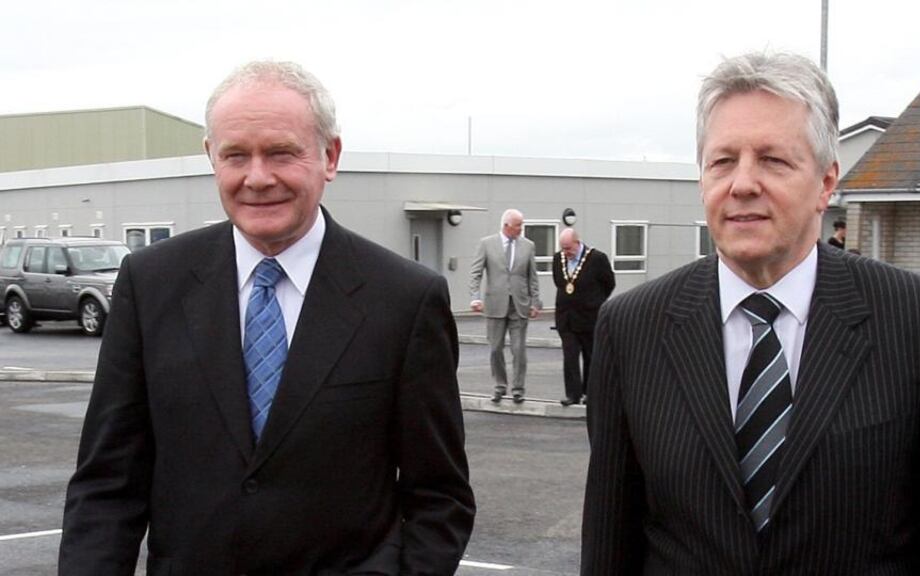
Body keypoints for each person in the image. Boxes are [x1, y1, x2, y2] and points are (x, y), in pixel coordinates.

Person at [581, 52, 920, 575]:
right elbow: (610, 540)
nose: (742, 184)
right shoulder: (631, 328)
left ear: (826, 183)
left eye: (772, 160)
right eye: (722, 161)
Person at [59, 61, 475, 575]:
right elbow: (106, 483)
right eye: (236, 155)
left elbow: (439, 495)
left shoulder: (405, 299)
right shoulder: (150, 284)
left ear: (330, 156)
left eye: (281, 152)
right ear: (212, 158)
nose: (258, 178)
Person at [469, 209, 541, 404]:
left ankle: (518, 388)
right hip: (495, 304)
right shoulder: (487, 244)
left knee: (519, 350)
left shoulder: (528, 246)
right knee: (495, 349)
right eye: (518, 225)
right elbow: (475, 273)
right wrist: (475, 297)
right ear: (507, 225)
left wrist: (535, 301)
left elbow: (532, 276)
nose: (521, 228)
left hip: (519, 304)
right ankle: (500, 385)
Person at [552, 228, 614, 406]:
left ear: (577, 243)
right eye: (563, 248)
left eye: (569, 248)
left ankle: (589, 392)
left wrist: (594, 301)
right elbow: (559, 283)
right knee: (569, 356)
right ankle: (573, 394)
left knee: (590, 356)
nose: (566, 252)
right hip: (566, 318)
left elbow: (609, 283)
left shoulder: (596, 259)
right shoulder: (558, 259)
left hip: (589, 317)